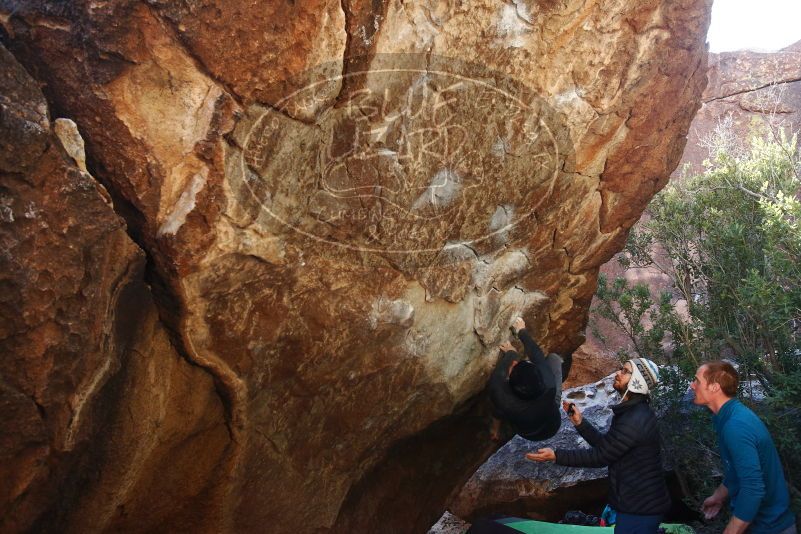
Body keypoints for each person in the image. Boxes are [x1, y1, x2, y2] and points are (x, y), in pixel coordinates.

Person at [526, 358, 671, 533]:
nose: (618, 373)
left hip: (641, 508)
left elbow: (601, 456)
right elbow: (608, 447)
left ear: (638, 381)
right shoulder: (633, 413)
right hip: (638, 505)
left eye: (625, 371)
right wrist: (580, 423)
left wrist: (556, 456)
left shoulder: (635, 420)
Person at [691, 361, 796, 534]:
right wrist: (719, 495)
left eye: (697, 381)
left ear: (715, 387)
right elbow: (737, 471)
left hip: (769, 528)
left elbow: (753, 489)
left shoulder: (736, 426)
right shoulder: (727, 417)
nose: (692, 385)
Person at [488, 317, 562, 442]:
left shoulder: (503, 396)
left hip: (526, 432)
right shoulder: (549, 385)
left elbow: (498, 375)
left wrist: (511, 354)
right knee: (554, 359)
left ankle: (494, 430)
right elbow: (537, 356)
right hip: (552, 422)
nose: (513, 365)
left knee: (499, 406)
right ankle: (496, 429)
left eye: (513, 368)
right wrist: (522, 331)